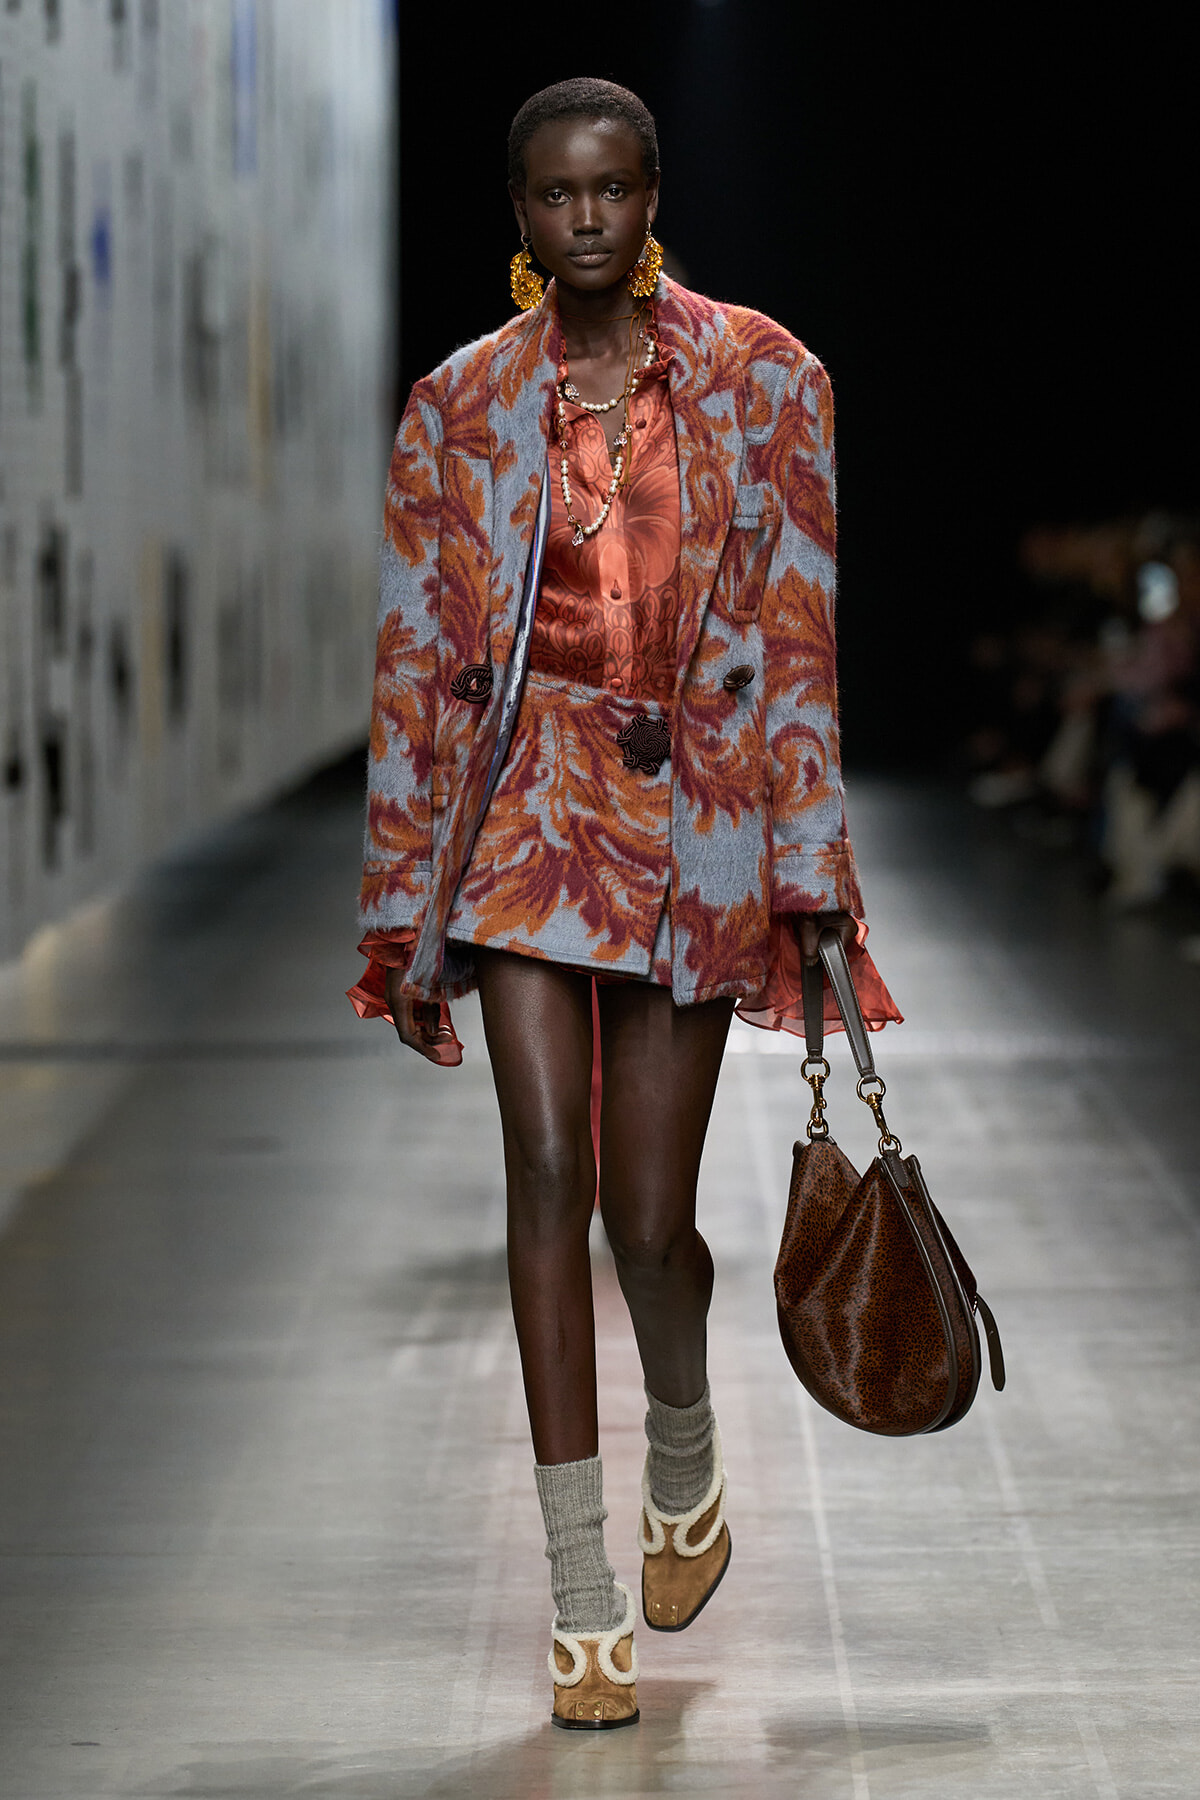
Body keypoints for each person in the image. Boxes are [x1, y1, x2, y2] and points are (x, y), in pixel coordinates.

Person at [348, 77, 898, 1731]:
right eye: (551, 196)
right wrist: (405, 908)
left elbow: (797, 638)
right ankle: (579, 1589)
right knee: (545, 1167)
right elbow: (416, 665)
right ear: (515, 212)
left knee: (646, 1223)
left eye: (610, 190)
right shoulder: (457, 407)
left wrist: (811, 873)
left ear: (652, 192)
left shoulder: (765, 376)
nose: (583, 220)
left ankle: (684, 1443)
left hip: (698, 825)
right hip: (524, 812)